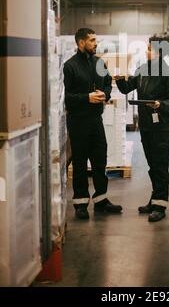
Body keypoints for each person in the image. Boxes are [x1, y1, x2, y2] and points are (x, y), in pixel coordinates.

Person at [115, 35, 169, 223]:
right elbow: (127, 88)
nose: (146, 51)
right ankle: (155, 199)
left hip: (160, 127)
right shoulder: (142, 70)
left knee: (160, 166)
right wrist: (120, 79)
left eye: (149, 48)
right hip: (145, 125)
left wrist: (160, 104)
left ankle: (161, 205)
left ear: (159, 52)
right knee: (152, 165)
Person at [64, 28, 122, 220]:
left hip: (96, 121)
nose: (95, 43)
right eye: (91, 40)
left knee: (100, 159)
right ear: (81, 43)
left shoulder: (99, 62)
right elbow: (67, 98)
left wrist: (105, 94)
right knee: (80, 162)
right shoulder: (69, 66)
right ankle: (81, 203)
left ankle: (101, 200)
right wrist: (86, 98)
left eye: (95, 40)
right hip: (78, 121)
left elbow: (107, 83)